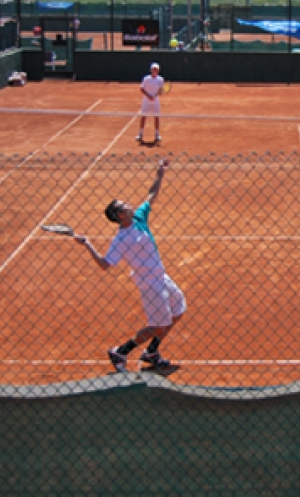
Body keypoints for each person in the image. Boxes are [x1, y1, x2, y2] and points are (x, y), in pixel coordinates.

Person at [74, 159, 186, 372]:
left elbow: (151, 195)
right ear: (119, 215)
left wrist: (160, 173)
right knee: (158, 325)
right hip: (149, 284)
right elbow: (106, 264)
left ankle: (151, 351)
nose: (129, 204)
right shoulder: (120, 240)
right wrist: (87, 244)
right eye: (124, 205)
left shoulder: (139, 218)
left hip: (161, 276)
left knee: (179, 309)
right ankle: (121, 351)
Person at [137, 62, 164, 143]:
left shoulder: (160, 79)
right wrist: (149, 96)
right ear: (151, 70)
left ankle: (157, 134)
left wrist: (156, 95)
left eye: (156, 69)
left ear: (158, 70)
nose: (155, 70)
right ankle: (140, 134)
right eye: (153, 69)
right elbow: (142, 89)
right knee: (143, 116)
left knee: (156, 117)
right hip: (146, 100)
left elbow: (161, 90)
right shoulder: (146, 79)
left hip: (156, 101)